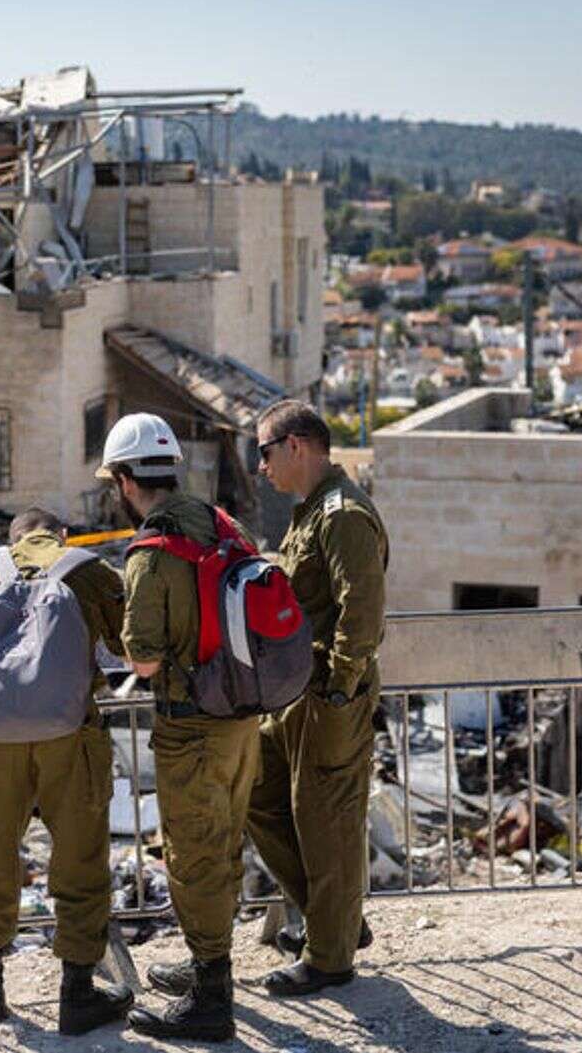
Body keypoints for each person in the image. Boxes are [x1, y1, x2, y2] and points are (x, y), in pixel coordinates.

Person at [0, 507, 134, 1035]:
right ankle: (77, 992)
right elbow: (129, 642)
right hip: (71, 737)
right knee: (81, 856)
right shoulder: (90, 570)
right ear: (60, 536)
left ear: (13, 539)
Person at [98, 412, 260, 1043]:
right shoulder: (224, 523)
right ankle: (204, 966)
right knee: (223, 843)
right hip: (243, 717)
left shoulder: (151, 553)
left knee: (192, 856)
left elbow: (142, 658)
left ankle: (211, 1001)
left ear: (124, 480)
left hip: (191, 725)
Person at [246, 399, 388, 996]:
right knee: (257, 790)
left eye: (264, 452)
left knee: (325, 821)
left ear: (296, 446)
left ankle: (330, 959)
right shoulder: (310, 513)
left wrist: (337, 686)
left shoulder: (342, 514)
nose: (261, 468)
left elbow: (362, 609)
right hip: (295, 693)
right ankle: (337, 922)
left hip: (328, 695)